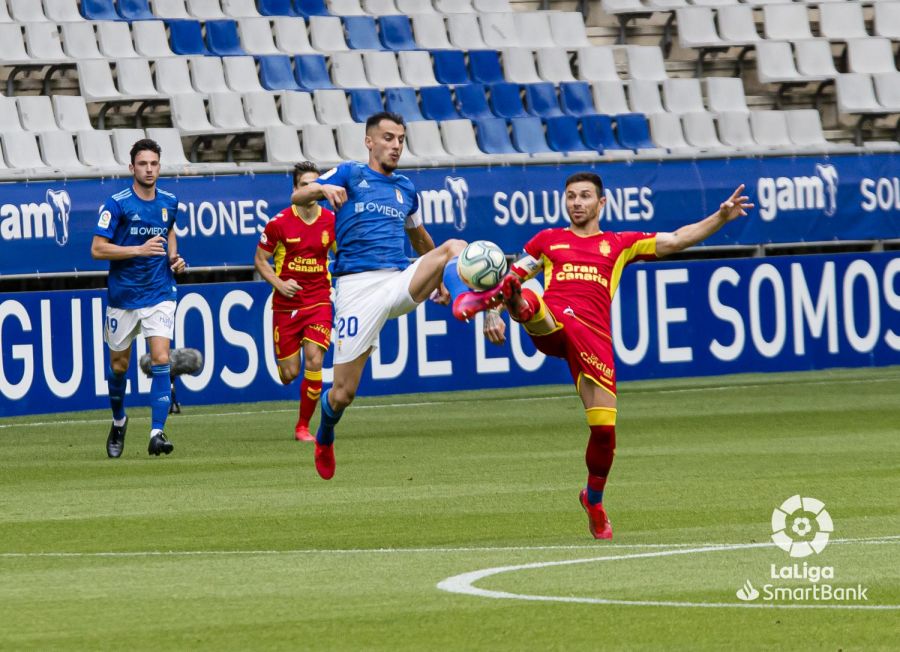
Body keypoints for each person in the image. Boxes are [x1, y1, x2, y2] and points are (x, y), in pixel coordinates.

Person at [453, 172, 753, 539]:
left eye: (584, 196)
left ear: (601, 203)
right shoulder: (549, 241)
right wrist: (494, 310)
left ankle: (593, 501)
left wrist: (720, 217)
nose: (576, 203)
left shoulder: (619, 243)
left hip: (592, 342)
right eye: (570, 197)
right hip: (553, 323)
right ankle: (509, 301)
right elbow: (509, 274)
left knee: (604, 433)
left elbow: (675, 240)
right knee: (523, 290)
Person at [289, 111, 466, 480]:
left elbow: (420, 240)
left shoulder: (406, 189)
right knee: (342, 393)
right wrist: (322, 188)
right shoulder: (350, 174)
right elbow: (298, 193)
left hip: (397, 279)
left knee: (454, 247)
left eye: (400, 139)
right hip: (356, 289)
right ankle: (326, 433)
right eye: (388, 138)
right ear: (369, 141)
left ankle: (472, 304)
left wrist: (440, 281)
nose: (396, 145)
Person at [90, 138, 186, 458]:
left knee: (160, 358)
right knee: (119, 366)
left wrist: (174, 258)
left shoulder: (170, 201)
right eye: (143, 164)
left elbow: (168, 229)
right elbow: (96, 248)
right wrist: (137, 250)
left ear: (160, 166)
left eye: (154, 163)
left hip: (159, 292)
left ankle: (157, 433)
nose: (149, 169)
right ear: (132, 167)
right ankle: (119, 420)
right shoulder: (116, 204)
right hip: (124, 296)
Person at [255, 162, 336, 442]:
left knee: (315, 360)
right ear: (295, 190)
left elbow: (344, 255)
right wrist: (279, 283)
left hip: (319, 302)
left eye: (315, 185)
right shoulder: (278, 224)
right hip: (287, 306)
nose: (311, 190)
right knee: (289, 374)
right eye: (305, 185)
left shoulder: (331, 221)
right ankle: (292, 376)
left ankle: (303, 426)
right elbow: (259, 260)